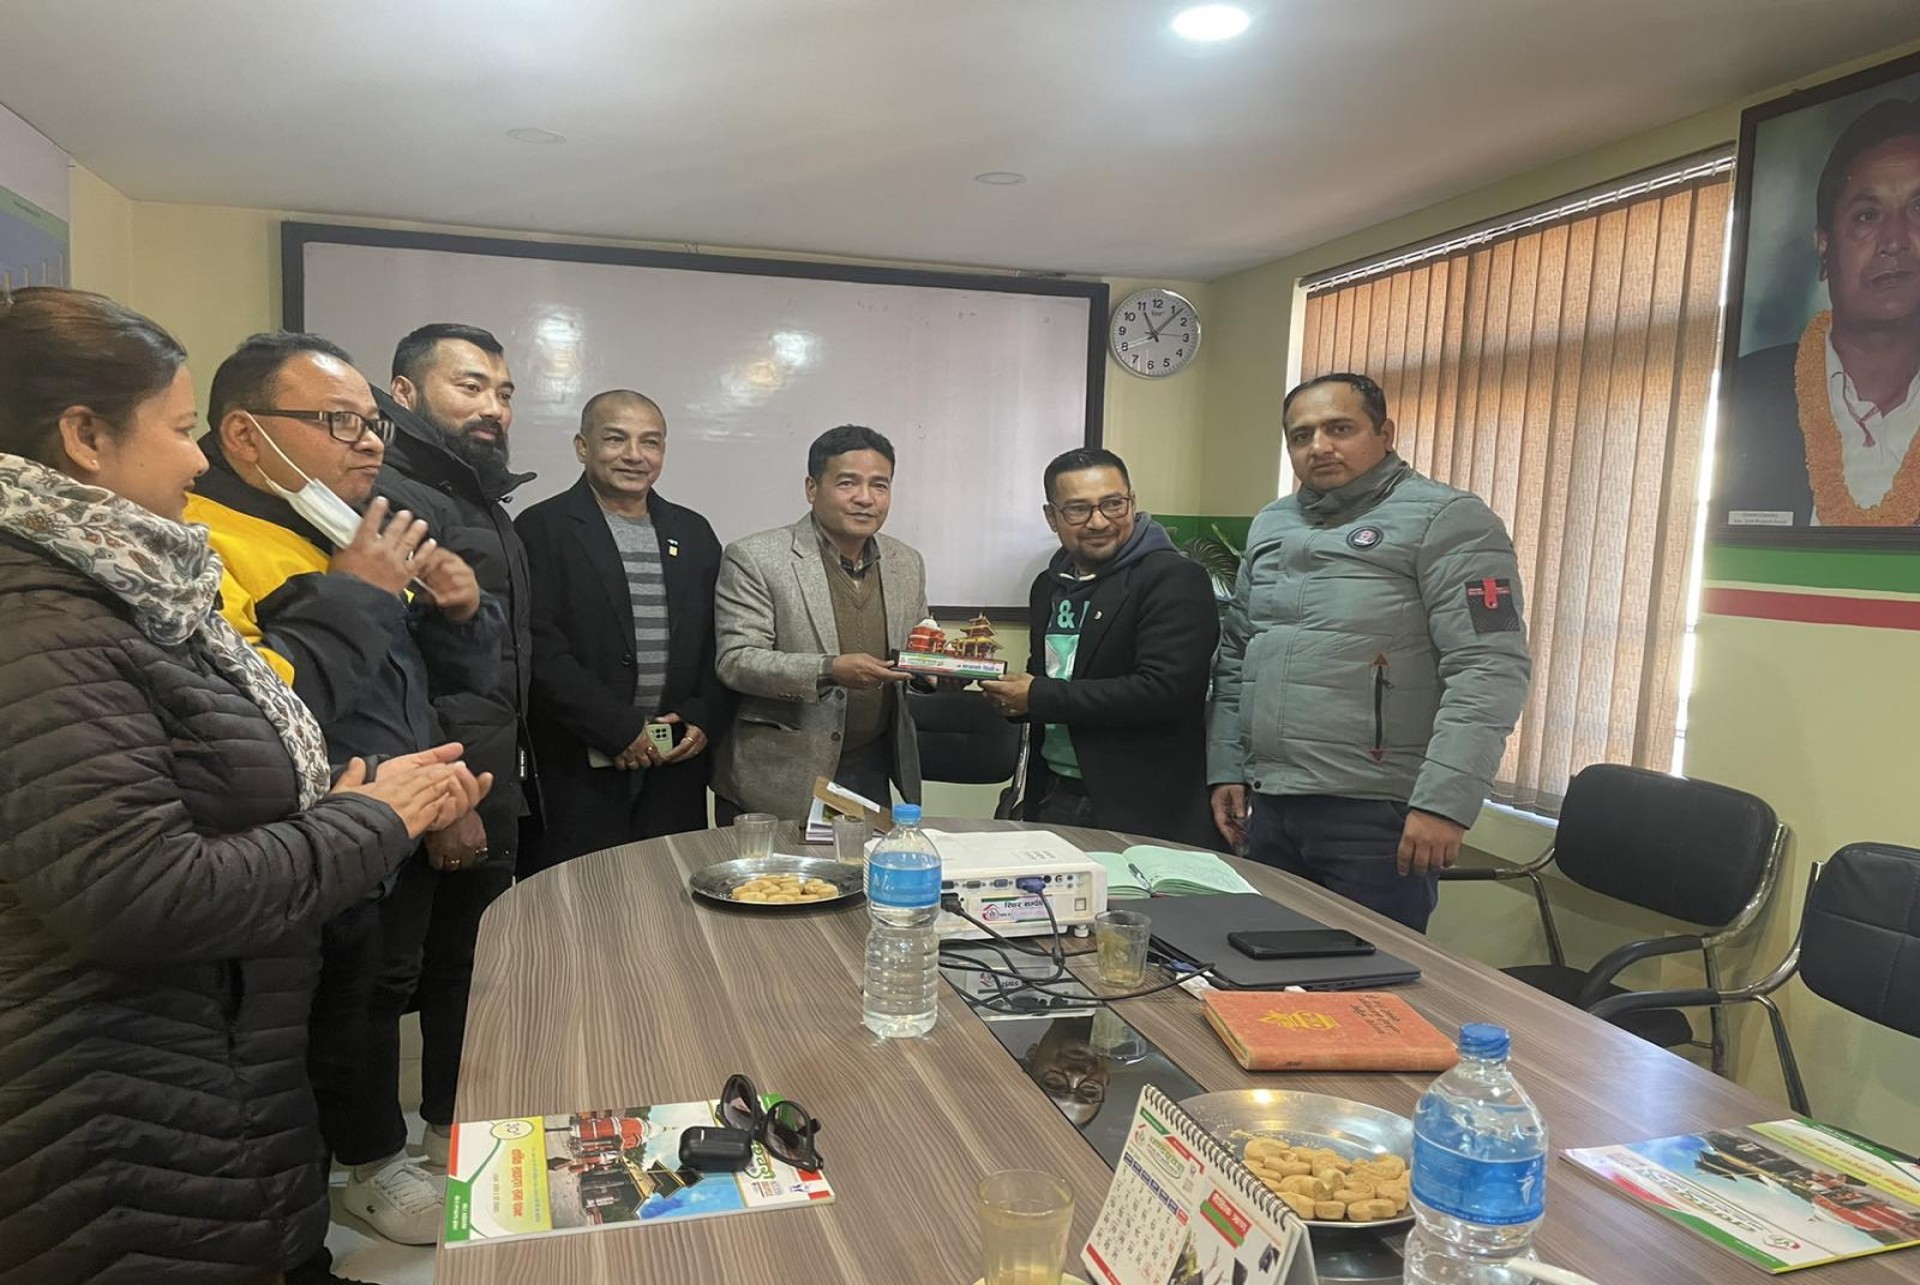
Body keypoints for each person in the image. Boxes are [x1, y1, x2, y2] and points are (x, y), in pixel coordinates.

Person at [0, 287, 487, 1285]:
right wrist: (371, 813)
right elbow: (140, 885)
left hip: (227, 1047)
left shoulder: (140, 568)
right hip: (132, 1083)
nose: (191, 461)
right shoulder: (70, 605)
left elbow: (240, 746)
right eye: (179, 430)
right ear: (85, 436)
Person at [187, 331, 504, 1251]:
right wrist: (360, 591)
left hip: (386, 825)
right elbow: (260, 717)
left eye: (372, 423)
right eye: (339, 421)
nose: (370, 441)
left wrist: (458, 611)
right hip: (295, 845)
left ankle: (366, 1158)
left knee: (375, 993)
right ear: (243, 435)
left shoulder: (334, 523)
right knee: (317, 1018)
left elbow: (408, 681)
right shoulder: (204, 539)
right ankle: (357, 1165)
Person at [1206, 373, 1531, 933]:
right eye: (1301, 435)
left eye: (1340, 428)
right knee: (1265, 973)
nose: (1319, 446)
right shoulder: (1272, 522)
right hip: (1272, 806)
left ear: (1385, 433)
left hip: (1378, 815)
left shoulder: (1450, 519)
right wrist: (1226, 767)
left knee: (1369, 980)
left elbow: (1490, 668)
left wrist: (1444, 803)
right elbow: (1237, 654)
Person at [371, 322, 533, 1178]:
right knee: (388, 979)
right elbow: (391, 669)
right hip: (428, 790)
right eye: (469, 386)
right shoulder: (390, 494)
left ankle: (447, 1130)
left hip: (480, 777)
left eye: (503, 392)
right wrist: (447, 802)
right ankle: (372, 1161)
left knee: (463, 970)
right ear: (403, 392)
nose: (492, 406)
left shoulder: (478, 500)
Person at [515, 390, 726, 869]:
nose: (635, 455)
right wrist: (621, 730)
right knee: (577, 901)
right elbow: (538, 648)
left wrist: (702, 716)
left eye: (650, 442)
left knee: (670, 896)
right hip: (574, 768)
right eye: (616, 439)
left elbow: (721, 640)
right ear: (582, 447)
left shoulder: (693, 532)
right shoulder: (542, 528)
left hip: (673, 768)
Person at [980, 447, 1219, 847]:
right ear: (1052, 517)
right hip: (1053, 791)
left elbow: (1165, 691)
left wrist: (1036, 695)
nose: (1099, 521)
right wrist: (1007, 696)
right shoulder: (1048, 586)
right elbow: (1046, 678)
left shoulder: (1174, 578)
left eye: (1113, 504)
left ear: (1132, 502)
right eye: (1078, 509)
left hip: (1139, 804)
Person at [713, 425, 929, 821]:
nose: (865, 498)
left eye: (879, 485)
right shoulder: (755, 557)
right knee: (777, 867)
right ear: (812, 488)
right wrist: (829, 669)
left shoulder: (906, 562)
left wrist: (937, 675)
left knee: (868, 862)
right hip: (781, 773)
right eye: (848, 483)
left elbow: (916, 650)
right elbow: (737, 661)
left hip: (870, 766)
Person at [1723, 96, 1920, 527]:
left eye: (1918, 209)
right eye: (1867, 216)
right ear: (1824, 248)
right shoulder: (1746, 391)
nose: (1894, 240)